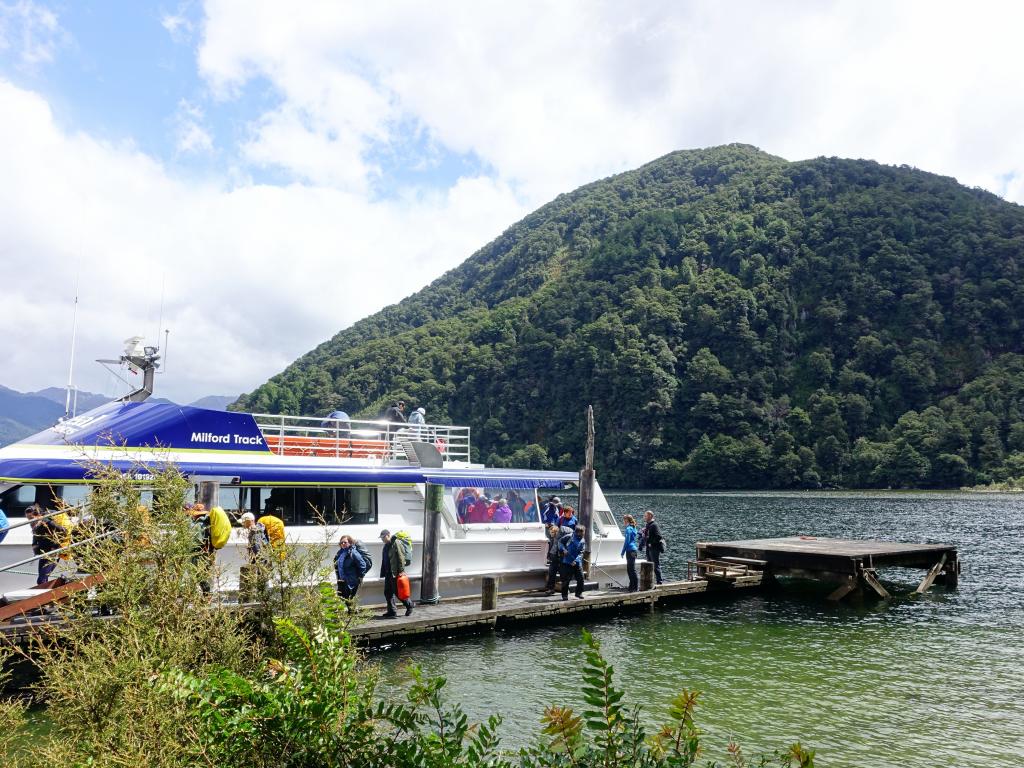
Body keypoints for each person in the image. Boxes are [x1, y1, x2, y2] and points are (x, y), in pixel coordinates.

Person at [26, 504, 66, 585]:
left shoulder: (46, 521)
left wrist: (55, 547)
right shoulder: (35, 525)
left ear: (38, 515)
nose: (29, 521)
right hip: (44, 553)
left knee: (42, 580)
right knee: (41, 579)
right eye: (28, 519)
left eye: (31, 518)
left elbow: (63, 531)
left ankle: (60, 584)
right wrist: (35, 546)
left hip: (52, 552)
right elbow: (36, 537)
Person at [378, 529, 413, 618]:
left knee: (398, 592)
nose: (382, 539)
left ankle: (409, 605)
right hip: (388, 572)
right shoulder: (386, 546)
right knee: (388, 592)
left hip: (395, 572)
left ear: (388, 535)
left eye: (383, 537)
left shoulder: (396, 542)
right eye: (381, 537)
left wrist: (401, 571)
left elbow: (401, 556)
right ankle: (392, 611)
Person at [188, 502, 215, 593]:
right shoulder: (207, 522)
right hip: (207, 552)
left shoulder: (198, 524)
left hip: (199, 554)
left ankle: (206, 595)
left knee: (198, 575)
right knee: (203, 574)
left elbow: (197, 540)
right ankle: (205, 596)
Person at [558, 524, 587, 601]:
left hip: (577, 563)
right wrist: (563, 549)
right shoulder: (569, 536)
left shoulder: (583, 540)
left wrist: (575, 561)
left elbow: (581, 552)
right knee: (566, 580)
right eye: (582, 532)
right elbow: (560, 542)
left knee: (581, 578)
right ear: (577, 532)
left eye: (583, 532)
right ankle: (564, 595)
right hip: (567, 562)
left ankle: (578, 593)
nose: (582, 534)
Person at [334, 534, 366, 603]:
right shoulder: (340, 553)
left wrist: (360, 577)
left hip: (350, 582)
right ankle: (351, 612)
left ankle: (351, 613)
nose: (343, 544)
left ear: (350, 542)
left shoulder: (353, 553)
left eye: (345, 542)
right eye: (341, 542)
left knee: (349, 600)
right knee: (341, 597)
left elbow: (363, 565)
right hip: (341, 581)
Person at [544, 524, 573, 594]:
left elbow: (570, 531)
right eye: (550, 532)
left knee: (563, 575)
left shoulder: (561, 538)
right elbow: (550, 547)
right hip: (554, 559)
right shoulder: (551, 539)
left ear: (556, 532)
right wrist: (548, 556)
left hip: (561, 558)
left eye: (552, 532)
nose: (551, 534)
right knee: (551, 573)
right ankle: (551, 589)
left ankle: (565, 590)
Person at [640, 509, 664, 585]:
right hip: (649, 548)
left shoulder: (654, 525)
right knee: (649, 565)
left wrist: (651, 543)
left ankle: (659, 582)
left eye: (645, 516)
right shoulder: (648, 525)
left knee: (656, 565)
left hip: (654, 548)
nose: (644, 517)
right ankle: (650, 582)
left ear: (650, 516)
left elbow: (659, 536)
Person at [621, 514, 640, 592]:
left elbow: (627, 541)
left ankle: (635, 587)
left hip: (630, 550)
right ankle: (632, 586)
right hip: (633, 550)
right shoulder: (633, 527)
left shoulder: (628, 529)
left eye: (624, 520)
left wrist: (622, 551)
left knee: (631, 569)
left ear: (627, 521)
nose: (623, 521)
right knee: (631, 569)